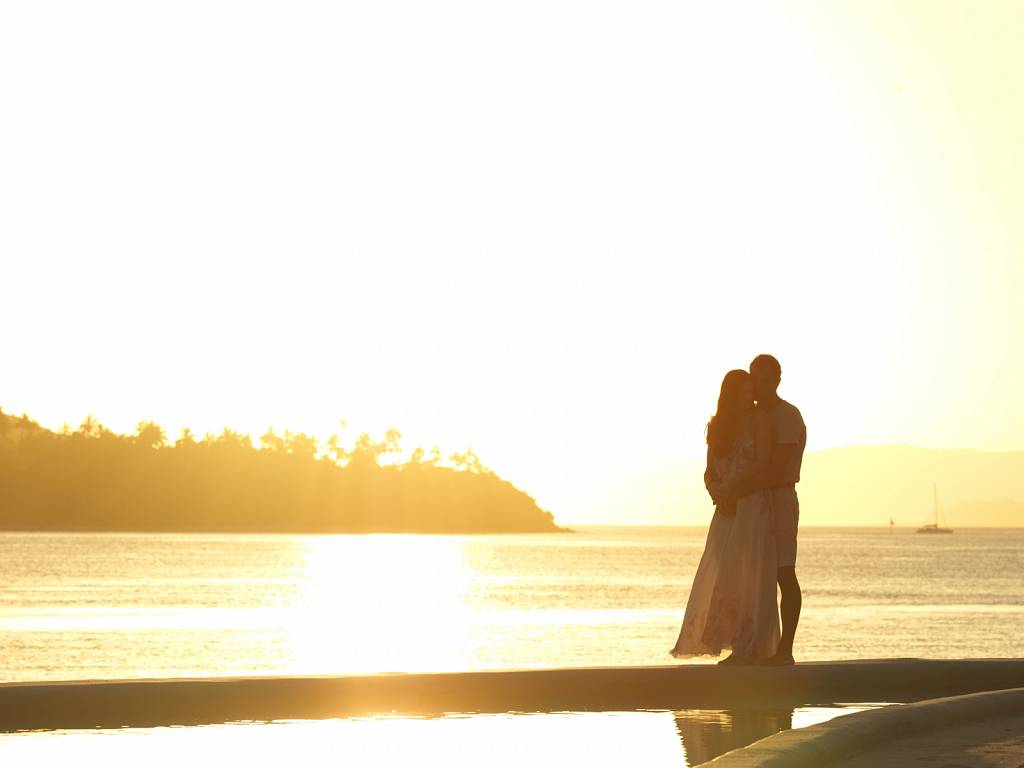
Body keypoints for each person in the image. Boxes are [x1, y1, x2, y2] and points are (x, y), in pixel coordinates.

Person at [670, 369, 780, 663]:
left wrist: (735, 487)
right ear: (731, 394)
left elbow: (762, 462)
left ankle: (751, 646)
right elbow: (709, 470)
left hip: (752, 506)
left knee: (749, 576)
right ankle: (734, 643)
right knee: (724, 576)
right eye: (744, 392)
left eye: (751, 391)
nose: (751, 397)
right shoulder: (718, 425)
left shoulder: (760, 421)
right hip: (727, 509)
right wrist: (717, 490)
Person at [727, 354, 807, 666]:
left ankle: (784, 650)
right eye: (753, 378)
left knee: (784, 572)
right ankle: (747, 647)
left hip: (779, 497)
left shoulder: (787, 416)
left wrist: (739, 489)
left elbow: (778, 467)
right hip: (754, 502)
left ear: (775, 381)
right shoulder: (750, 416)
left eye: (762, 380)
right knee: (749, 575)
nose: (757, 386)